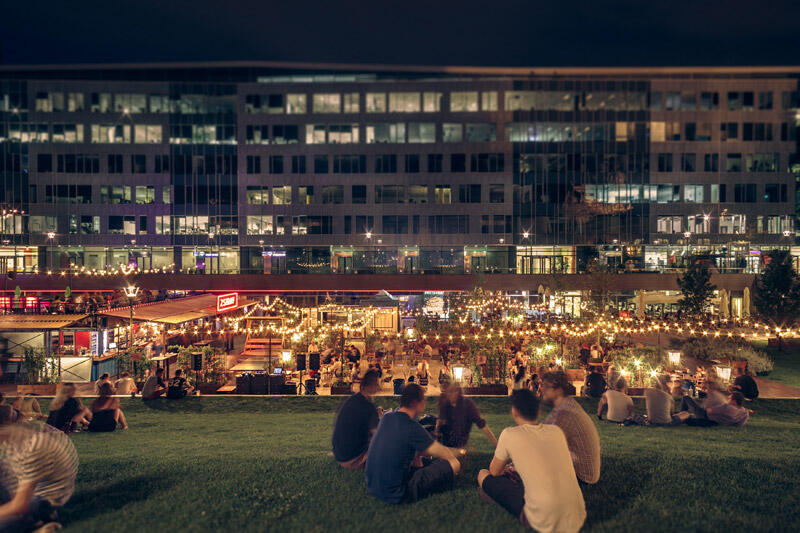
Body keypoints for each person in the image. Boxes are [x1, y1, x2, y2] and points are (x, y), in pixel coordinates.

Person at [478, 390, 586, 532]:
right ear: (538, 412)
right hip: (576, 515)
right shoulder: (556, 432)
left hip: (541, 518)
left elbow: (494, 471)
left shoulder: (509, 434)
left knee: (483, 474)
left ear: (514, 412)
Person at [365, 383, 461, 503]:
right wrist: (459, 452)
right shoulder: (412, 427)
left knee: (427, 459)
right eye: (423, 400)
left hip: (374, 486)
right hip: (398, 492)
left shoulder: (387, 417)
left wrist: (418, 455)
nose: (424, 403)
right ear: (415, 402)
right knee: (454, 463)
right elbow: (445, 454)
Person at [0, 420, 79, 532]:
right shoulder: (11, 441)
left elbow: (20, 505)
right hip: (24, 496)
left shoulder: (35, 446)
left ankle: (37, 522)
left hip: (43, 501)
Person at [540, 371, 601, 484]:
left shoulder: (565, 413)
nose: (541, 389)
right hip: (579, 469)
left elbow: (542, 444)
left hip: (581, 476)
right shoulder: (567, 405)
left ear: (558, 390)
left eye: (546, 386)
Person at [332, 369, 382, 469]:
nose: (379, 387)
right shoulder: (368, 407)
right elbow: (377, 436)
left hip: (339, 455)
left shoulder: (352, 399)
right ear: (371, 385)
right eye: (377, 384)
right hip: (353, 459)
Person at [434, 385, 497, 449]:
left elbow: (481, 424)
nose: (451, 395)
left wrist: (496, 444)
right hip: (447, 436)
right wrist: (436, 434)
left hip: (459, 439)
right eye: (449, 392)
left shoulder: (467, 404)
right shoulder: (446, 402)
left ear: (458, 392)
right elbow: (440, 420)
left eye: (453, 392)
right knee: (430, 422)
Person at [674, 391, 749, 427]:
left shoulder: (727, 407)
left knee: (686, 398)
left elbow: (710, 410)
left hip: (705, 416)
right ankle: (679, 415)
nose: (727, 400)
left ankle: (681, 415)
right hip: (713, 422)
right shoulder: (744, 412)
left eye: (729, 398)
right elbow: (740, 424)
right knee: (689, 418)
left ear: (734, 401)